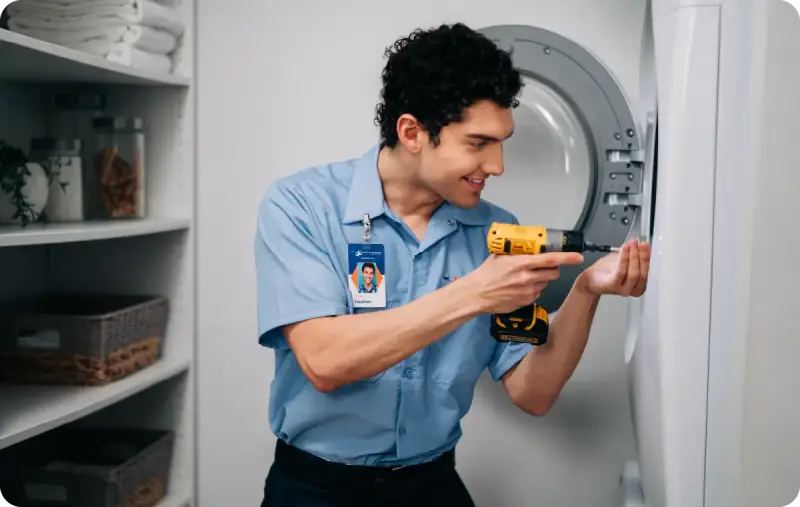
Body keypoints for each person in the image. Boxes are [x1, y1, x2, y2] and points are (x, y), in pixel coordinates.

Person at [255, 22, 650, 507]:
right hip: (314, 489)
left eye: (502, 142)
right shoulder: (301, 205)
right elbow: (325, 362)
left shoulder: (498, 233)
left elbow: (533, 391)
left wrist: (586, 291)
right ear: (412, 132)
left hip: (430, 486)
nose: (498, 165)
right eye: (479, 143)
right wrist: (474, 294)